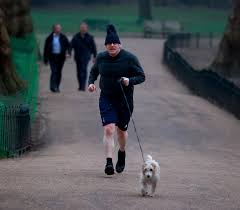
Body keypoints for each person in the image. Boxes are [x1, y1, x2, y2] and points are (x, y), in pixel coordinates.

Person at [88, 24, 145, 175]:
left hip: (125, 100)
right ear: (106, 45)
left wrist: (129, 80)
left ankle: (122, 151)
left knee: (121, 132)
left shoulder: (130, 58)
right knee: (109, 129)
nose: (112, 45)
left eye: (115, 43)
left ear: (120, 44)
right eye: (109, 43)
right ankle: (108, 162)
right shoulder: (101, 57)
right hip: (106, 97)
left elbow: (142, 76)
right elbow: (93, 72)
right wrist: (91, 83)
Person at [43, 24, 70, 93]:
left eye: (59, 28)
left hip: (61, 57)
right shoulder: (49, 38)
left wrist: (68, 53)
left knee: (58, 72)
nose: (58, 30)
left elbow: (68, 46)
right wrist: (45, 59)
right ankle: (52, 86)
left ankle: (57, 86)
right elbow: (45, 49)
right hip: (52, 57)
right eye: (57, 28)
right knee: (54, 71)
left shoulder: (63, 37)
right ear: (53, 29)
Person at [71, 22, 97, 91]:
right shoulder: (76, 37)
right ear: (80, 28)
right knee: (79, 71)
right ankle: (80, 85)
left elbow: (94, 47)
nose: (83, 29)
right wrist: (69, 52)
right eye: (82, 28)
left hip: (86, 56)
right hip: (78, 56)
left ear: (87, 29)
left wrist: (95, 56)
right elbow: (71, 46)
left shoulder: (90, 37)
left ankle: (83, 86)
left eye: (84, 28)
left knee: (84, 70)